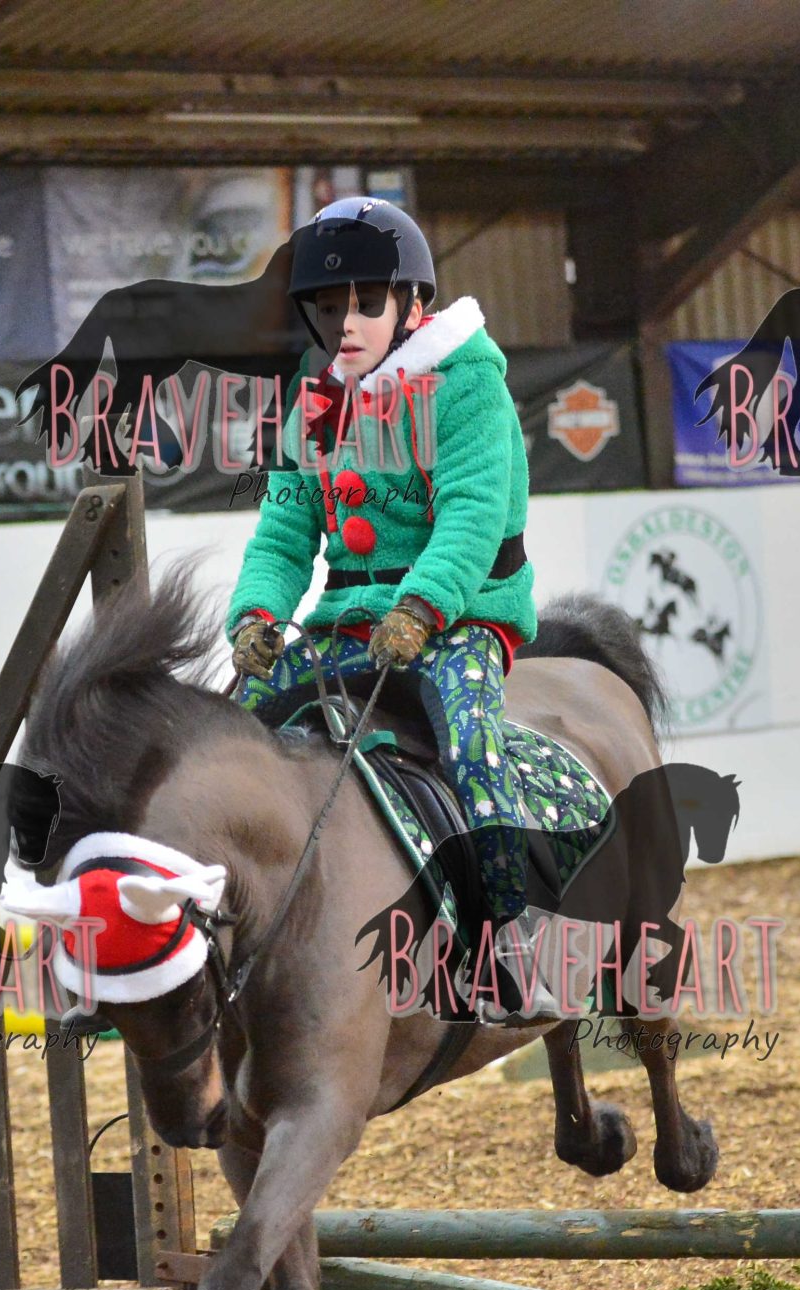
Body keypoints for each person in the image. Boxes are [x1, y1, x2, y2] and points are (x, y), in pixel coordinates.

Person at [225, 196, 549, 1022]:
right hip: (347, 621)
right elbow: (283, 533)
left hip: (460, 617)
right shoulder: (316, 403)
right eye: (328, 308)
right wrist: (256, 616)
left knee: (471, 745)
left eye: (366, 303)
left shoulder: (468, 384)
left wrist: (423, 608)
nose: (346, 324)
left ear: (411, 305)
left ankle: (509, 937)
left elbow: (472, 515)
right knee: (230, 731)